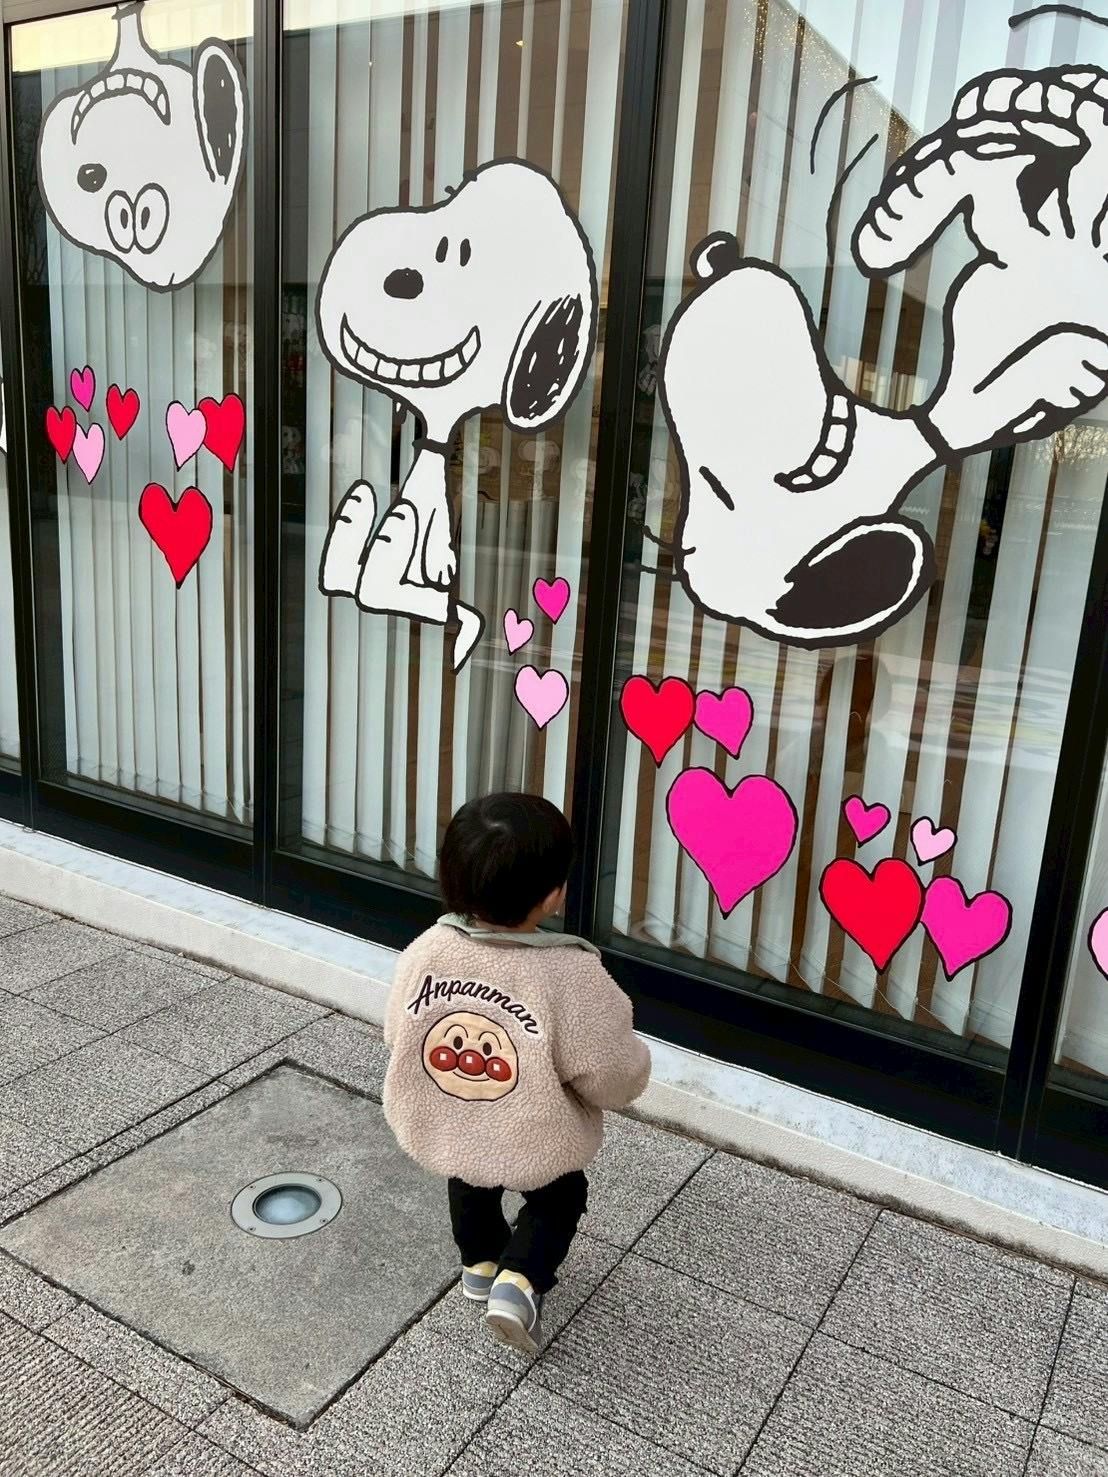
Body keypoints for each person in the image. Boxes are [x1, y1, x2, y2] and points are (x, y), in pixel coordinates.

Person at [382, 792, 651, 1355]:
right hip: (534, 1131)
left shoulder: (428, 949)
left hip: (455, 1115)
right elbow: (611, 1073)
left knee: (469, 1179)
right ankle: (520, 1281)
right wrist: (632, 1074)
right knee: (559, 1198)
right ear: (554, 895)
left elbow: (396, 1031)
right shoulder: (571, 974)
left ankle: (480, 1265)